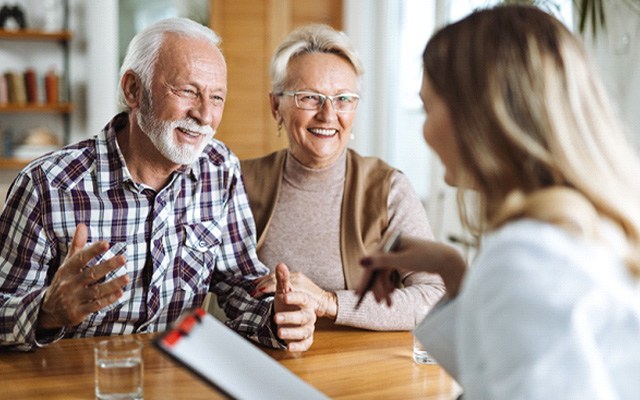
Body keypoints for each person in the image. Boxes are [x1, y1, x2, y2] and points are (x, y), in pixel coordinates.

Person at [358, 5, 640, 399]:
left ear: (479, 114)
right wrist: (455, 276)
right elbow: (500, 372)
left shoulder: (528, 259)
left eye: (428, 108)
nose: (424, 131)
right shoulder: (583, 232)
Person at [0, 17, 315, 352]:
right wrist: (47, 311)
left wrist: (278, 317)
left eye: (217, 97)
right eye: (187, 91)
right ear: (134, 90)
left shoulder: (219, 169)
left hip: (177, 375)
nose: (205, 115)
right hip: (76, 381)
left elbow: (242, 285)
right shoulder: (46, 185)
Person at [241, 24, 445, 330]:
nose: (328, 114)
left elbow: (437, 297)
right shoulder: (237, 182)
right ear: (276, 106)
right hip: (266, 362)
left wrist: (328, 302)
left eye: (343, 99)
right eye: (310, 97)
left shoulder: (388, 188)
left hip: (359, 371)